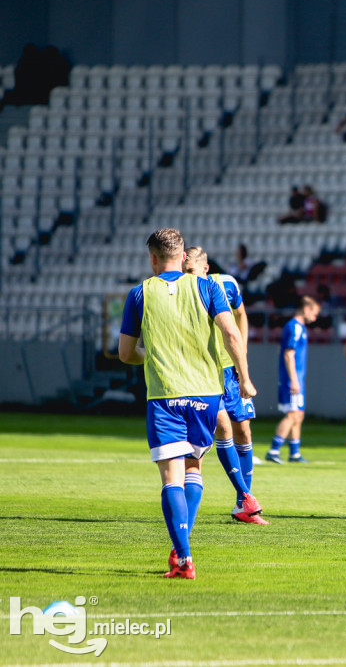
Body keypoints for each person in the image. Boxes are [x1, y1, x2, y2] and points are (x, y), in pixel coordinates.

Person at [119, 228, 256, 579]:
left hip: (164, 395)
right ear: (183, 257)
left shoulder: (139, 294)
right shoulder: (209, 287)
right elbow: (231, 333)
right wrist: (245, 378)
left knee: (171, 478)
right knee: (193, 468)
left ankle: (183, 557)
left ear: (152, 258)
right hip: (206, 395)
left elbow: (125, 353)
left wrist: (152, 358)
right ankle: (181, 549)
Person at [183, 247, 266, 525]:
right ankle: (245, 498)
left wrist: (241, 351)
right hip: (204, 372)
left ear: (205, 268)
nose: (187, 275)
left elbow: (241, 315)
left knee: (243, 428)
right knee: (223, 427)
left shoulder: (227, 284)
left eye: (191, 270)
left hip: (230, 370)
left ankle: (243, 500)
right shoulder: (181, 292)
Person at [266, 296, 320, 464]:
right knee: (292, 414)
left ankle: (294, 453)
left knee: (298, 415)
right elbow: (288, 354)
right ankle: (274, 450)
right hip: (292, 379)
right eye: (314, 313)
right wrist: (293, 379)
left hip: (296, 378)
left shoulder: (299, 328)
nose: (315, 317)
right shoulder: (295, 327)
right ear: (306, 309)